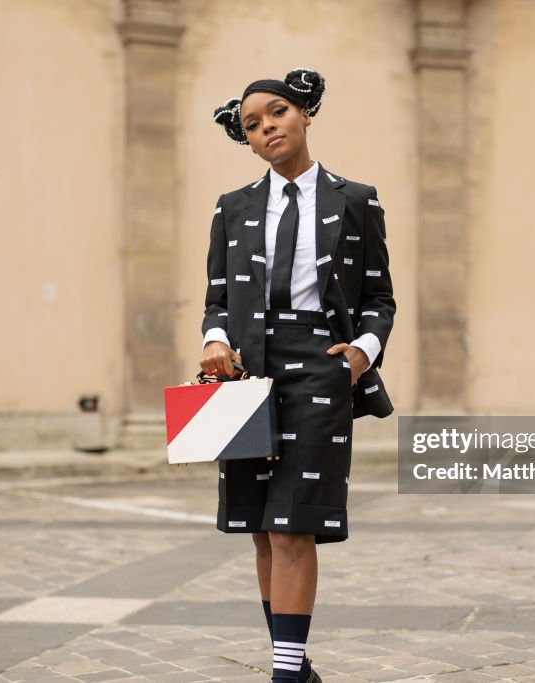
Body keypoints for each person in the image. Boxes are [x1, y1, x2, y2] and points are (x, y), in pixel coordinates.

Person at [199, 67, 395, 683]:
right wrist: (214, 340)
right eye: (252, 125)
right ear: (249, 141)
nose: (266, 128)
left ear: (305, 114)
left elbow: (378, 296)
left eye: (277, 112)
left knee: (294, 527)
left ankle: (285, 675)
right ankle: (296, 665)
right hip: (245, 372)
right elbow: (217, 296)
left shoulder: (355, 199)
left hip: (320, 367)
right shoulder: (233, 207)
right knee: (261, 528)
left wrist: (363, 349)